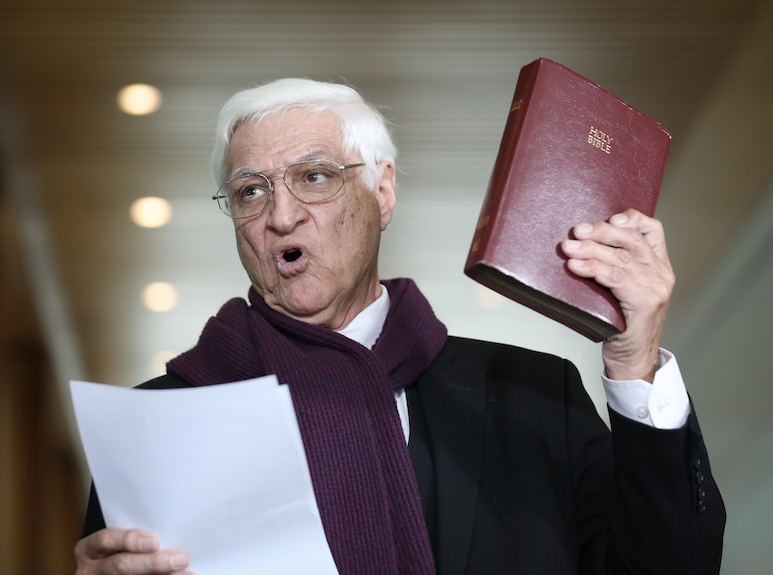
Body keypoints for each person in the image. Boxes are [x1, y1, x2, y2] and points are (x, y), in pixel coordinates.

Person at [74, 78, 725, 575]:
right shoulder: (161, 421)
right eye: (251, 191)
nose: (281, 215)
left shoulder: (534, 399)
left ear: (382, 192)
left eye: (315, 176)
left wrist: (636, 357)